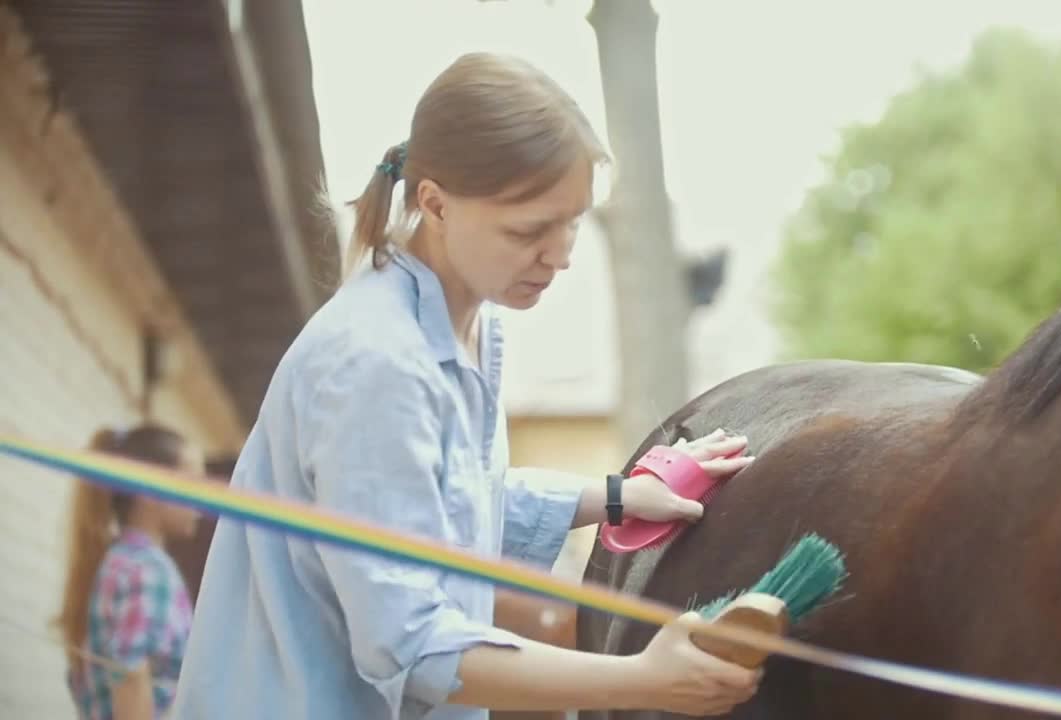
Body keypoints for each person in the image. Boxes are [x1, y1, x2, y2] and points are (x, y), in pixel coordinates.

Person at [171, 52, 760, 719]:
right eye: (530, 229)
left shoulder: (471, 328)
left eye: (571, 223)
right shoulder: (375, 364)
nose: (562, 255)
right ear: (435, 204)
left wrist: (619, 497)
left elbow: (449, 505)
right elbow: (413, 647)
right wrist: (644, 680)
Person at [55, 423, 206, 720]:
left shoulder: (118, 564)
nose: (202, 499)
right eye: (192, 482)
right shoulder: (145, 571)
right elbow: (132, 682)